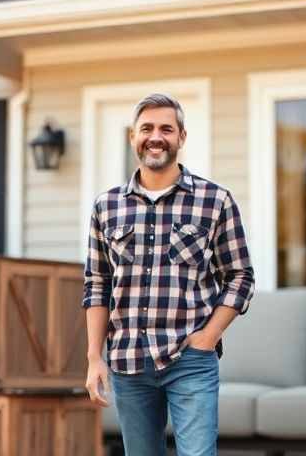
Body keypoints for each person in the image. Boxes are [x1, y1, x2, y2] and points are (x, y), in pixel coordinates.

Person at [82, 93, 255, 455]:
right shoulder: (106, 206)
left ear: (181, 138)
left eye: (166, 128)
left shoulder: (214, 200)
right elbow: (98, 283)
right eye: (146, 128)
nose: (155, 136)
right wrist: (94, 357)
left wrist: (209, 335)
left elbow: (240, 277)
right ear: (133, 137)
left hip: (189, 358)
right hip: (128, 360)